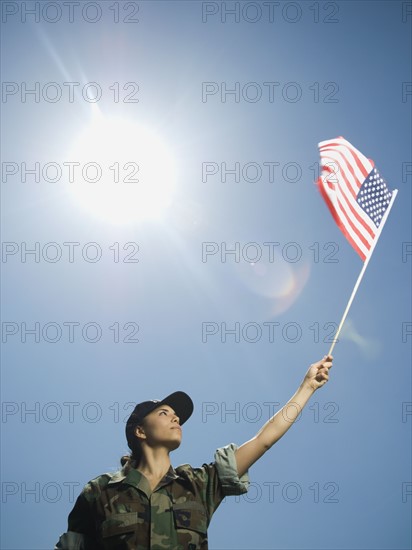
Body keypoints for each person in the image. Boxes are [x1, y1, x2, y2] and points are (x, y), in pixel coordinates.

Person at [55, 355, 333, 549]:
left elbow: (264, 440)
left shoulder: (198, 485)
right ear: (140, 431)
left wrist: (307, 387)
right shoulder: (100, 492)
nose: (176, 418)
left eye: (177, 416)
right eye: (164, 413)